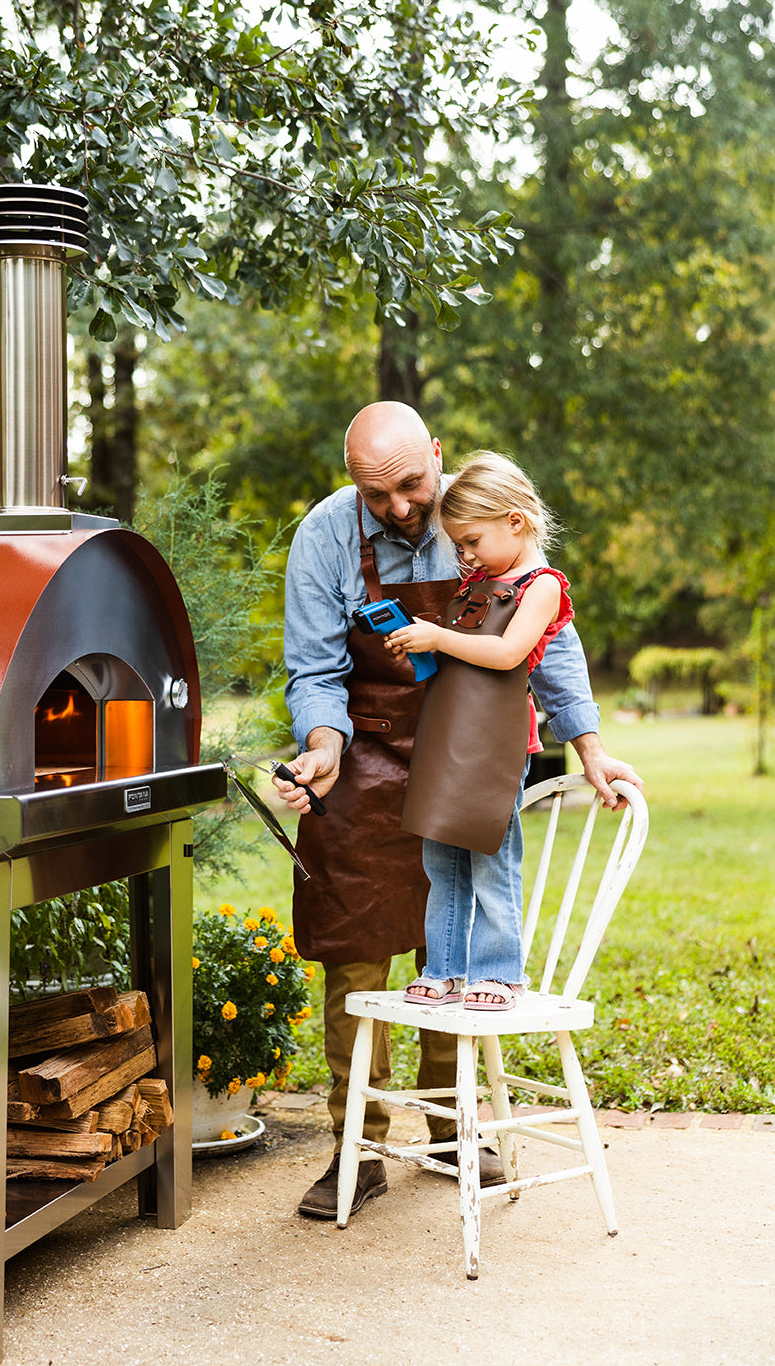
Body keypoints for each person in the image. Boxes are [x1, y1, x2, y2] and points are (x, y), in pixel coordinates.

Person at [273, 401, 641, 1221]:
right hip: (363, 760)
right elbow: (312, 667)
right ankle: (357, 1147)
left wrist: (585, 744)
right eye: (378, 496)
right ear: (351, 484)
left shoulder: (476, 516)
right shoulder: (325, 537)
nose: (402, 508)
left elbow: (549, 639)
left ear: (435, 454)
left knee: (462, 941)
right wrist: (322, 746)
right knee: (355, 947)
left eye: (411, 485)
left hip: (465, 757)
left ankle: (450, 1129)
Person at [386, 450, 573, 1012]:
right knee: (440, 856)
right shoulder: (477, 582)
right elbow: (457, 660)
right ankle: (445, 967)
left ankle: (499, 972)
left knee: (490, 856)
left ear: (515, 521)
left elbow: (508, 652)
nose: (464, 555)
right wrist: (416, 649)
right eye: (459, 545)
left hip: (494, 745)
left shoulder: (540, 585)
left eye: (470, 541)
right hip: (448, 735)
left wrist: (438, 638)